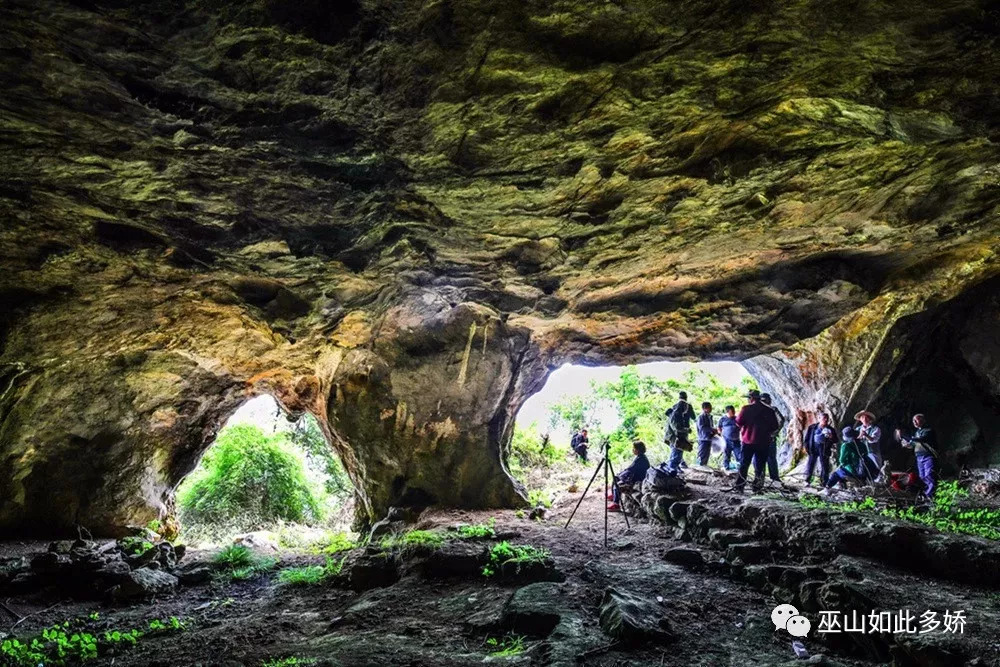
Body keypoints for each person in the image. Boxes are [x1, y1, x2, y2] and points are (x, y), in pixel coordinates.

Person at [733, 389, 779, 492]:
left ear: (751, 399)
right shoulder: (769, 410)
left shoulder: (746, 409)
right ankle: (757, 487)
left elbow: (738, 422)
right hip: (764, 442)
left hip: (748, 441)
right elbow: (775, 426)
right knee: (760, 466)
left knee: (744, 464)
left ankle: (740, 486)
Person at [897, 414, 938, 498]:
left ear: (923, 420)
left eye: (916, 420)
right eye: (913, 421)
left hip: (928, 456)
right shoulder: (917, 432)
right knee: (922, 476)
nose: (914, 422)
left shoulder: (928, 430)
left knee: (929, 475)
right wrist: (906, 444)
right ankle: (927, 494)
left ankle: (931, 495)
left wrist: (904, 435)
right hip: (919, 457)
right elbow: (913, 444)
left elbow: (920, 439)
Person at [608, 440, 651, 512]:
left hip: (638, 479)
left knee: (618, 483)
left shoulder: (641, 459)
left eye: (634, 448)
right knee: (616, 477)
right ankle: (614, 495)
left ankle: (616, 504)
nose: (633, 450)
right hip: (636, 477)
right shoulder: (640, 457)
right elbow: (630, 469)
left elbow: (631, 469)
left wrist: (621, 475)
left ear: (638, 450)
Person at [824, 426, 867, 493]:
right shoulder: (862, 444)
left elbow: (842, 460)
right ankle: (844, 488)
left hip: (852, 471)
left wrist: (847, 463)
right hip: (863, 470)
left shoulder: (846, 445)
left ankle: (827, 488)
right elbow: (866, 454)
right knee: (841, 472)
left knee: (836, 474)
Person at [803, 413, 836, 487]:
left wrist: (831, 437)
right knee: (810, 464)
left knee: (824, 466)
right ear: (819, 418)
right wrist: (806, 447)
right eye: (824, 418)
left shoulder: (830, 429)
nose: (826, 420)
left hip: (824, 448)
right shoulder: (812, 427)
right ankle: (807, 480)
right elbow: (807, 438)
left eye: (827, 418)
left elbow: (836, 440)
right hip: (813, 447)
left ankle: (824, 482)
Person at [666, 394, 696, 473]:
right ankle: (672, 470)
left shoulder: (679, 412)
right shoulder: (676, 414)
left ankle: (674, 468)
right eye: (685, 408)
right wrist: (686, 430)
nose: (686, 409)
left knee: (677, 453)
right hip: (675, 437)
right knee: (676, 453)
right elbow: (676, 428)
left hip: (678, 436)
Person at [761, 393, 785, 482]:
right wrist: (774, 433)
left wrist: (774, 433)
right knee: (771, 458)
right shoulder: (773, 409)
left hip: (763, 438)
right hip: (769, 438)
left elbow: (781, 420)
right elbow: (781, 420)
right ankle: (774, 478)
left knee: (763, 458)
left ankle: (761, 478)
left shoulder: (762, 409)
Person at [854, 410, 883, 479]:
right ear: (860, 419)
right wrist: (860, 436)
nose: (864, 419)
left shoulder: (876, 429)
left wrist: (866, 435)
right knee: (863, 468)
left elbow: (874, 439)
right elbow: (854, 441)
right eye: (862, 417)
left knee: (877, 468)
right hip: (862, 453)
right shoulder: (857, 429)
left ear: (870, 419)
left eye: (866, 417)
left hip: (873, 452)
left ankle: (880, 482)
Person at [718, 405, 741, 470]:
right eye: (732, 411)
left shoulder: (737, 419)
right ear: (727, 412)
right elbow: (719, 428)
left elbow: (741, 427)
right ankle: (726, 468)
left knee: (739, 455)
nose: (734, 412)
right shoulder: (722, 419)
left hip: (736, 440)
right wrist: (721, 435)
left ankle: (739, 470)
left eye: (734, 410)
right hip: (726, 440)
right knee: (726, 455)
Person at [696, 402, 717, 466]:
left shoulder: (710, 416)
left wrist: (714, 432)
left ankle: (704, 465)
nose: (711, 409)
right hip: (703, 438)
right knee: (702, 453)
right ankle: (699, 466)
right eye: (709, 408)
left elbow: (711, 426)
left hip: (709, 438)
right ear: (704, 408)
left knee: (707, 454)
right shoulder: (701, 417)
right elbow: (702, 428)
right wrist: (712, 429)